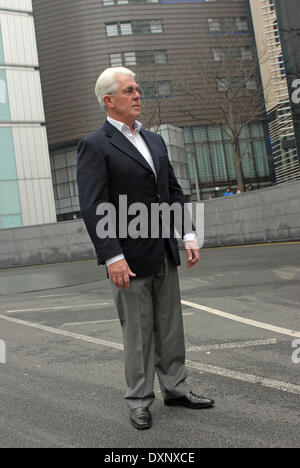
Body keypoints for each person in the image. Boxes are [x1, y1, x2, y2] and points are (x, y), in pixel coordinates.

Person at [77, 67, 215, 430]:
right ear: (109, 100)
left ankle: (176, 389)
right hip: (129, 258)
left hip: (164, 250)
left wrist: (187, 234)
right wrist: (113, 257)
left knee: (170, 327)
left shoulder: (154, 140)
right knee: (138, 333)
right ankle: (139, 399)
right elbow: (94, 206)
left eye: (138, 89)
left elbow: (172, 192)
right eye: (129, 90)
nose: (138, 95)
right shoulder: (95, 145)